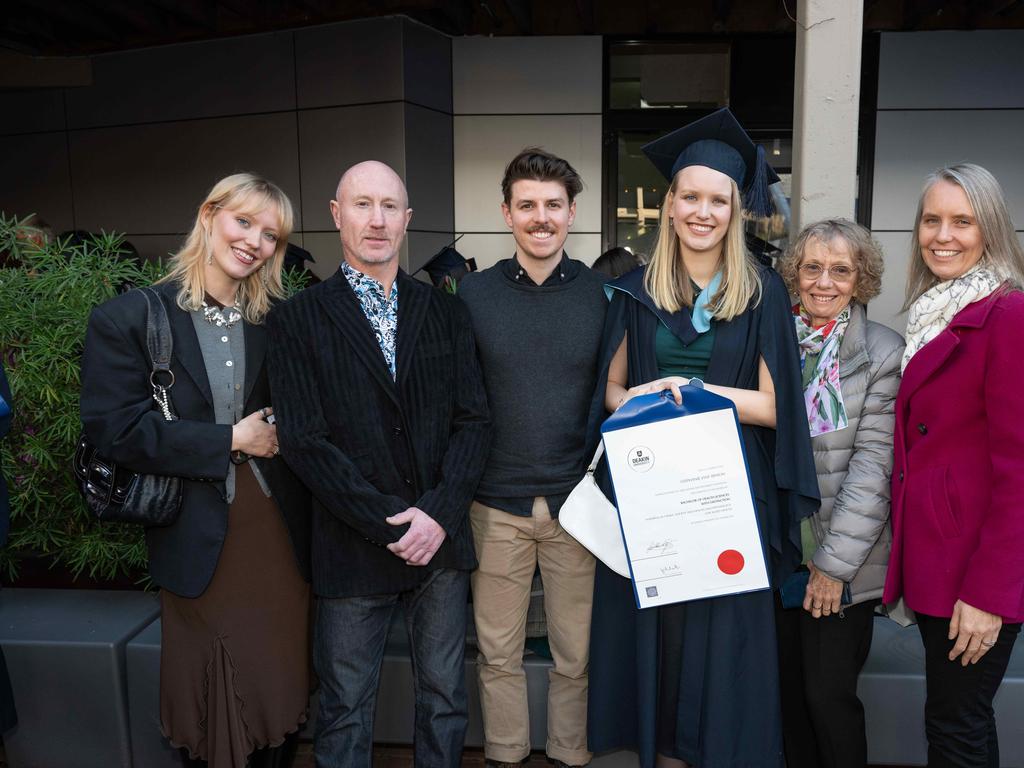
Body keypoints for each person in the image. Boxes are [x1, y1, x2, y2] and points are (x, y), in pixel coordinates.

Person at [586, 108, 820, 768]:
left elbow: (778, 409)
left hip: (729, 487)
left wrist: (704, 396)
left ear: (736, 209)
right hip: (652, 481)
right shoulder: (634, 291)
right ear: (669, 203)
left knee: (718, 643)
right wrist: (640, 395)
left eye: (718, 199)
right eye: (691, 196)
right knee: (660, 634)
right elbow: (608, 392)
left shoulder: (763, 294)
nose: (703, 211)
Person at [80, 173, 312, 768]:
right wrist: (231, 438)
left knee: (278, 686)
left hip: (278, 535)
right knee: (213, 702)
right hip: (195, 532)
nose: (255, 242)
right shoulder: (130, 318)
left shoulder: (280, 319)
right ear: (209, 215)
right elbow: (116, 430)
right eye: (244, 222)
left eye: (270, 235)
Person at [266, 161, 490, 768]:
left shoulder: (445, 311)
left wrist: (437, 517)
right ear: (337, 215)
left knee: (445, 698)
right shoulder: (297, 319)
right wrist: (391, 521)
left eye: (390, 206)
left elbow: (474, 422)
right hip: (352, 542)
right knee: (343, 707)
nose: (377, 219)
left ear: (408, 220)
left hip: (438, 542)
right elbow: (306, 442)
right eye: (362, 205)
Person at [459, 148, 607, 768]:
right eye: (527, 206)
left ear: (573, 213)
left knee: (578, 655)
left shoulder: (605, 296)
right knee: (498, 653)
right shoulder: (472, 295)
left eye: (553, 206)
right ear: (507, 213)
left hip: (580, 507)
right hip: (495, 505)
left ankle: (572, 754)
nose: (540, 217)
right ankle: (506, 754)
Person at [882, 163, 1024, 768]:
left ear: (989, 229)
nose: (944, 234)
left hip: (974, 570)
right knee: (961, 718)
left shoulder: (1009, 316)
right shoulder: (930, 315)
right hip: (941, 558)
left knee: (955, 724)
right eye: (931, 220)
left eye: (962, 221)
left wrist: (990, 593)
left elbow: (1020, 470)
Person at [773, 219, 905, 768]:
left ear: (861, 279)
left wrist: (831, 568)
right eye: (812, 267)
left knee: (827, 700)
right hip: (776, 555)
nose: (824, 281)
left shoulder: (882, 351)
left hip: (838, 563)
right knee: (784, 701)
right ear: (794, 275)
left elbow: (874, 470)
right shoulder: (771, 337)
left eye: (841, 270)